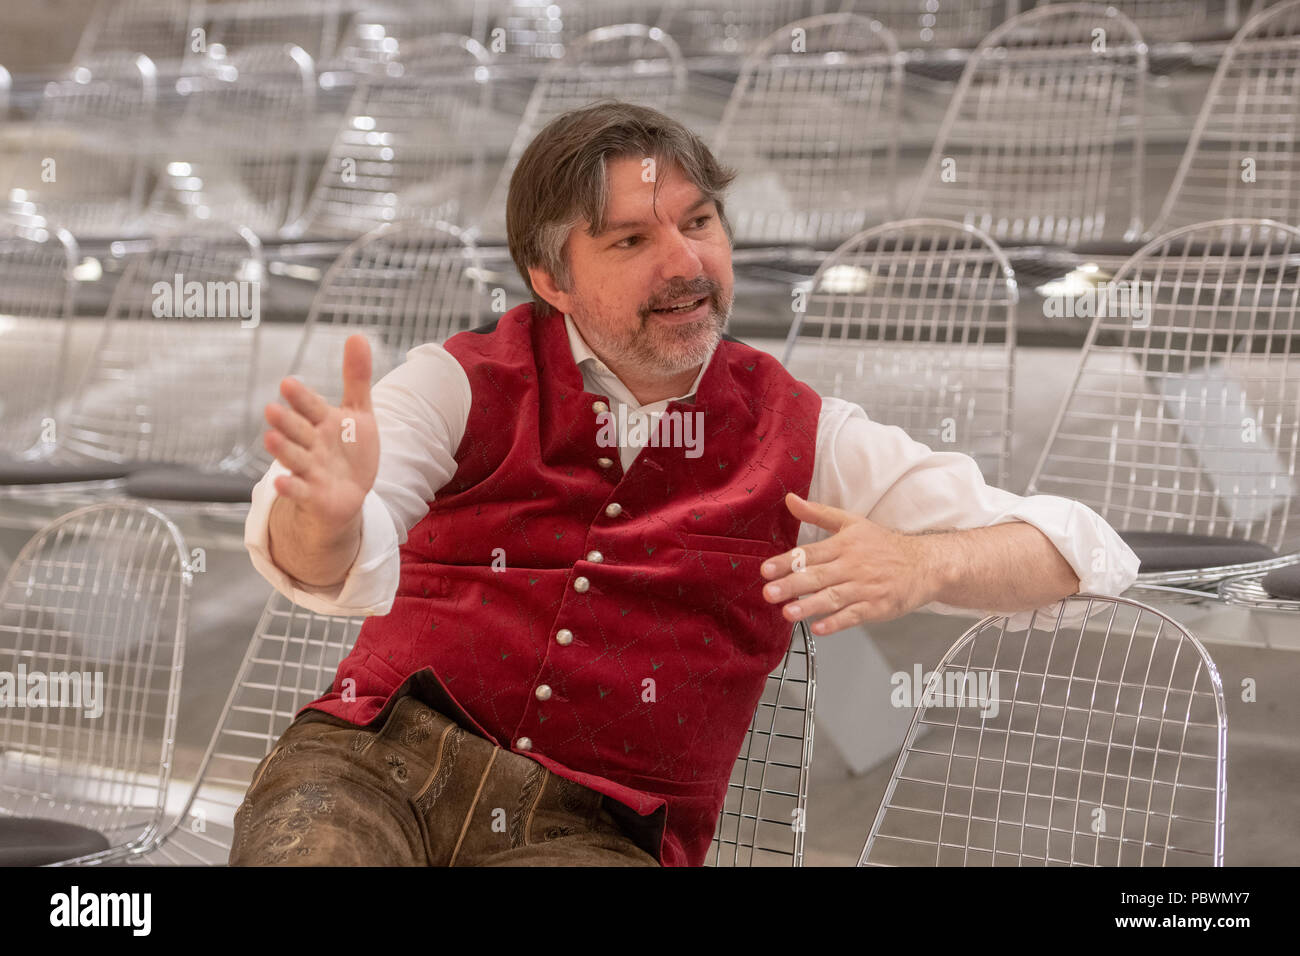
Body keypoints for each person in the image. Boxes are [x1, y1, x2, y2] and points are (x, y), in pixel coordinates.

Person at [234, 101, 1139, 867]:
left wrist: (923, 564)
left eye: (699, 223)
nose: (686, 264)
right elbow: (319, 554)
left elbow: (1077, 548)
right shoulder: (454, 382)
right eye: (632, 239)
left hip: (591, 831)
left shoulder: (804, 428)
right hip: (371, 765)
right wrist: (331, 514)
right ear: (550, 277)